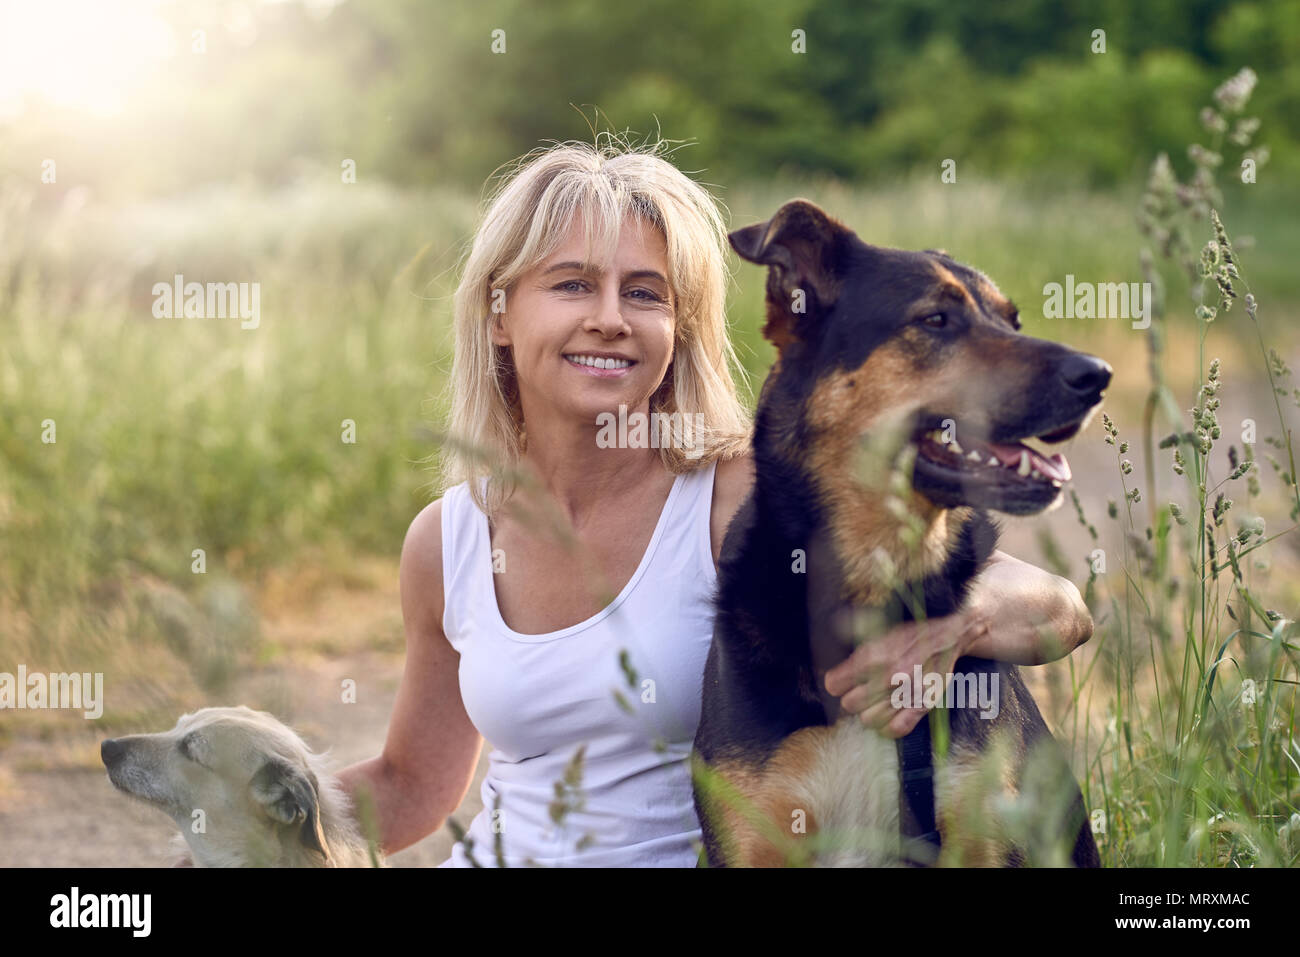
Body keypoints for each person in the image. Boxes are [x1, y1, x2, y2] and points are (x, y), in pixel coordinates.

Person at [335, 136, 1094, 867]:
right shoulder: (448, 537)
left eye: (644, 293)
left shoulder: (736, 494)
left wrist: (955, 626)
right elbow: (408, 788)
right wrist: (236, 807)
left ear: (677, 327)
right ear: (499, 314)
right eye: (572, 283)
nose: (610, 317)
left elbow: (1057, 605)